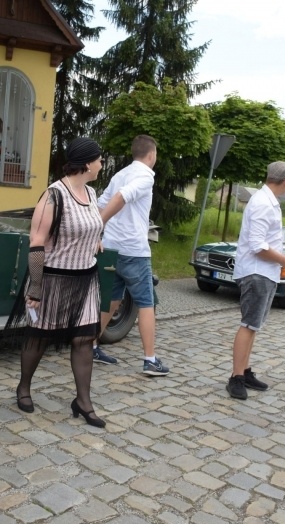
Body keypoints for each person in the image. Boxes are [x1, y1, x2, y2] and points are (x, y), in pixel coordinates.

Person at [10, 137, 107, 428]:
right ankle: (24, 387)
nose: (102, 164)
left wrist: (94, 240)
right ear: (87, 163)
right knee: (39, 336)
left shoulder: (91, 193)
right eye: (99, 159)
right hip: (53, 278)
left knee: (84, 339)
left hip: (85, 278)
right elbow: (37, 242)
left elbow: (89, 225)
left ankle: (83, 402)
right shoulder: (54, 196)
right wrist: (36, 287)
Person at [95, 135, 169, 375]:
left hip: (112, 248)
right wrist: (100, 224)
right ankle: (150, 360)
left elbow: (100, 203)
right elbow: (120, 198)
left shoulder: (120, 174)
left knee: (111, 299)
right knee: (146, 303)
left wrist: (98, 229)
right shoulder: (145, 176)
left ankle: (92, 346)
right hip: (134, 251)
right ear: (151, 154)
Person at [227, 162, 285, 400]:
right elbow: (258, 245)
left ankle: (244, 371)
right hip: (256, 271)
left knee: (254, 325)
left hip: (265, 272)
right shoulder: (262, 203)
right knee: (249, 324)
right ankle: (236, 377)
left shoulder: (268, 201)